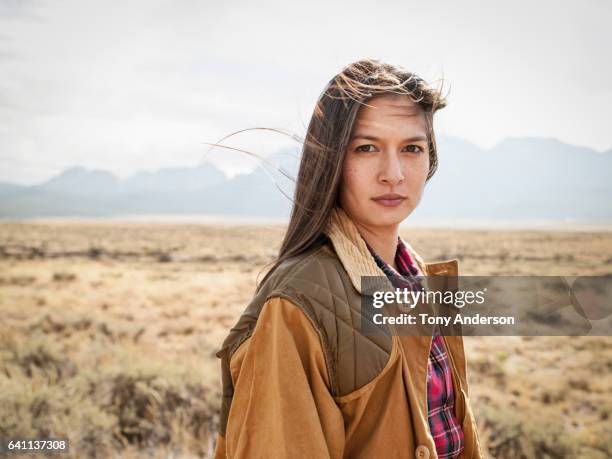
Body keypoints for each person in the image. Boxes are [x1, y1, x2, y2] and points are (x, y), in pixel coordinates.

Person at [213, 58, 484, 458]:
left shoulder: (420, 279)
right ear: (332, 161)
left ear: (431, 161)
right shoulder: (297, 304)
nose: (392, 173)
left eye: (411, 148)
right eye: (366, 148)